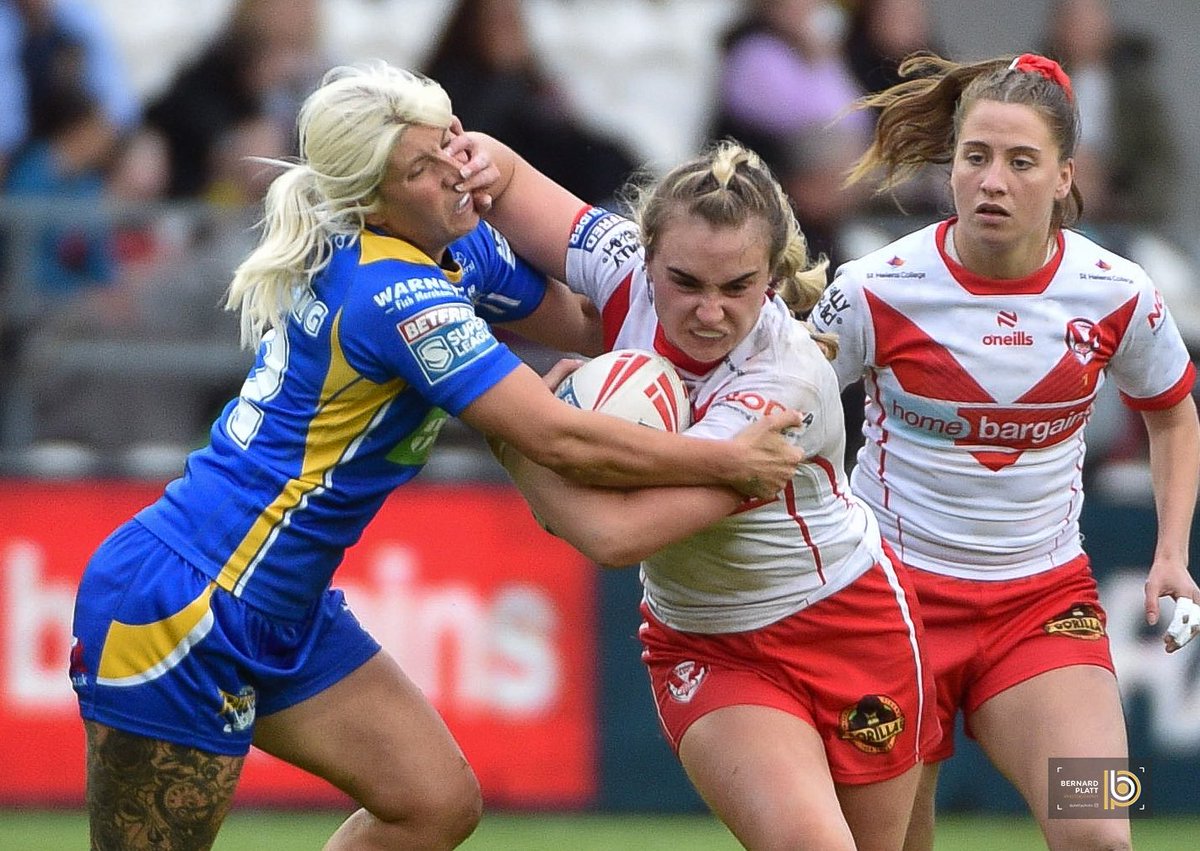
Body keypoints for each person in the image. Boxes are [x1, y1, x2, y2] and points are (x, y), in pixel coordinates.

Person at [68, 61, 807, 851]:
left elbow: (598, 321)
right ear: (370, 197)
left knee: (433, 802)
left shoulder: (463, 249)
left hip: (285, 606)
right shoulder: (393, 294)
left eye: (450, 145)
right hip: (184, 602)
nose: (455, 175)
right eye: (422, 168)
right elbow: (556, 436)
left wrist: (728, 320)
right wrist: (725, 459)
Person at [459, 132, 938, 850]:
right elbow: (506, 172)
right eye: (685, 282)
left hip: (854, 626)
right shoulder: (620, 268)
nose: (709, 311)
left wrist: (514, 432)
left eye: (737, 287)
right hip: (712, 645)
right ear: (646, 257)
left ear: (773, 278)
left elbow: (612, 533)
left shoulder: (787, 383)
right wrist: (454, 152)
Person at [808, 51, 1200, 851]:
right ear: (949, 166)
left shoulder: (1119, 290)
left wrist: (1170, 551)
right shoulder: (874, 285)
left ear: (1064, 177)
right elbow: (785, 411)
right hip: (888, 607)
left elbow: (1174, 416)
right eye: (975, 157)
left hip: (1043, 607)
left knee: (1103, 830)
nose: (993, 181)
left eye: (1022, 162)